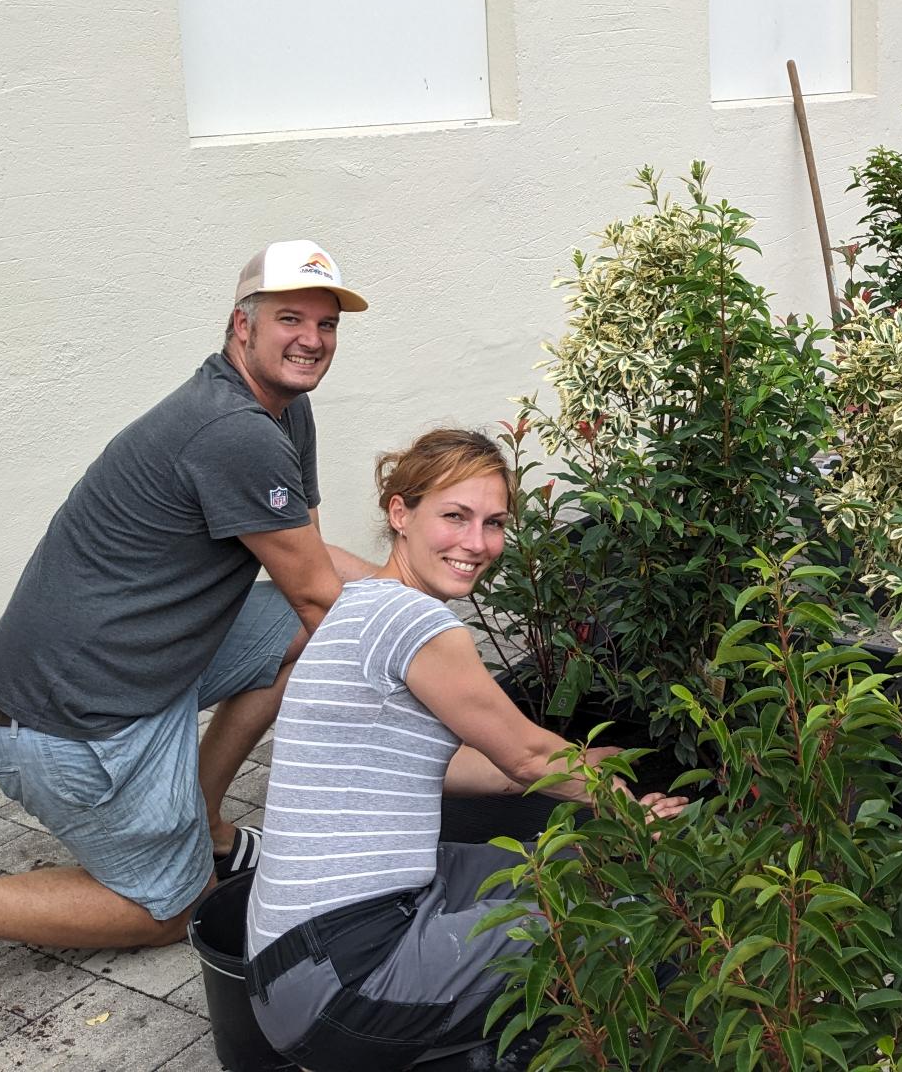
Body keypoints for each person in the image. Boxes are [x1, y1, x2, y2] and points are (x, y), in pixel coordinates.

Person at [0, 240, 375, 1048]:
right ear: (239, 327)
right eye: (289, 319)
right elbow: (319, 595)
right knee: (168, 910)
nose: (312, 339)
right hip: (68, 724)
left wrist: (403, 591)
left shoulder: (284, 408)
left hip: (130, 667)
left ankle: (199, 821)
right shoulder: (229, 430)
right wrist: (415, 702)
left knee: (299, 636)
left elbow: (308, 559)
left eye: (325, 323)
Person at [245, 429, 687, 1071]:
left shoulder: (362, 603)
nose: (477, 544)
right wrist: (629, 808)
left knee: (566, 869)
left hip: (287, 966)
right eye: (454, 516)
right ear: (401, 514)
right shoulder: (415, 622)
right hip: (342, 981)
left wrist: (592, 766)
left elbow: (467, 768)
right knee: (621, 925)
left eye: (494, 523)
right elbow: (527, 759)